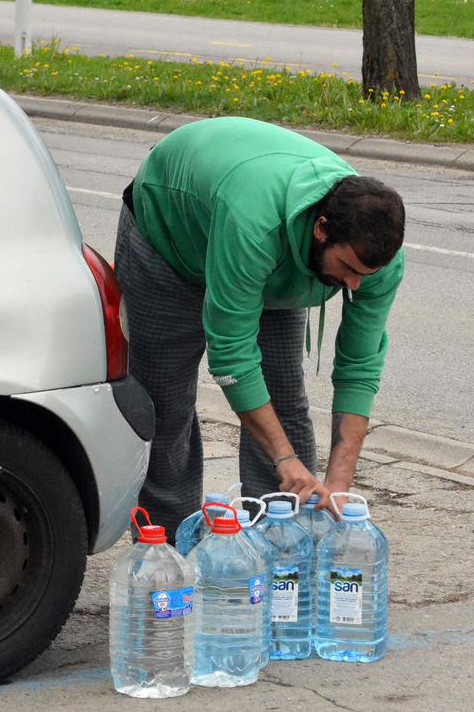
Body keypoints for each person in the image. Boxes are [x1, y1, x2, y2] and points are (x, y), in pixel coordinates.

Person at [114, 117, 405, 538]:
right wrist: (285, 460)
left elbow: (359, 365)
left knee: (283, 400)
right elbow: (232, 355)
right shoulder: (254, 224)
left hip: (274, 256)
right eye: (348, 268)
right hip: (172, 237)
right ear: (322, 229)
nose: (355, 285)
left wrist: (338, 486)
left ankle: (282, 544)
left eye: (366, 274)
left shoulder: (376, 257)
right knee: (166, 406)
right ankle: (170, 545)